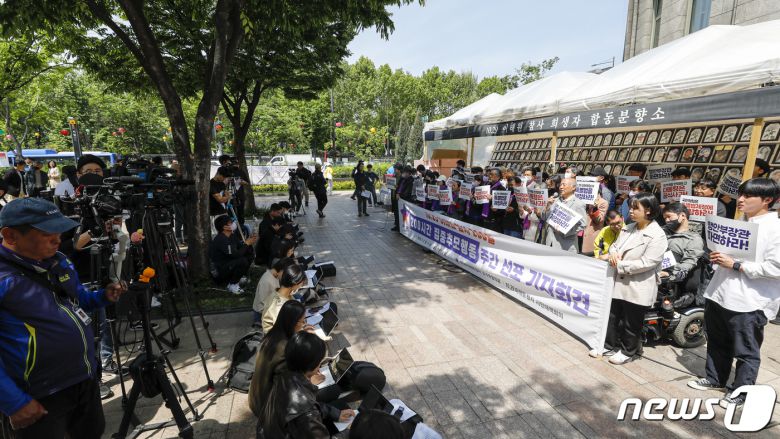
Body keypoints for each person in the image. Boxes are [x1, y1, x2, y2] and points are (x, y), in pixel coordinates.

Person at [0, 197, 126, 438]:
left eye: (59, 230)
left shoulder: (59, 261)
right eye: (47, 233)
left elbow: (78, 300)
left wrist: (102, 297)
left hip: (85, 379)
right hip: (39, 396)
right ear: (11, 235)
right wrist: (13, 402)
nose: (57, 239)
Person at [688, 178, 780, 408]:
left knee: (746, 350)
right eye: (740, 194)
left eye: (748, 196)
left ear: (767, 200)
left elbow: (776, 268)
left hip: (749, 301)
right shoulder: (740, 222)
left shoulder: (775, 230)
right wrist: (718, 258)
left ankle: (741, 391)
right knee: (717, 340)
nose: (740, 200)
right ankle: (715, 378)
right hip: (720, 293)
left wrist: (737, 265)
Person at [596, 193, 667, 365]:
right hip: (618, 280)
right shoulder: (628, 227)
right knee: (613, 316)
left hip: (638, 284)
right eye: (631, 207)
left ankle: (628, 351)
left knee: (631, 321)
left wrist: (620, 264)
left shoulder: (657, 235)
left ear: (648, 210)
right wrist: (613, 253)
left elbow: (648, 262)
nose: (631, 211)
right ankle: (608, 345)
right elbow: (614, 245)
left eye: (636, 208)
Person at [260, 332, 353, 438]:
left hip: (269, 432)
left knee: (337, 404)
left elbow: (311, 405)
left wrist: (335, 413)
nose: (320, 365)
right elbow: (306, 410)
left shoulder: (284, 374)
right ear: (312, 365)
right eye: (320, 361)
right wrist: (351, 431)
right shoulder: (306, 411)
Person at [660, 202, 705, 308]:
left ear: (682, 216)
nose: (667, 220)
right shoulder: (660, 232)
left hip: (670, 282)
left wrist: (669, 274)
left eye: (669, 216)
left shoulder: (694, 239)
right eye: (665, 218)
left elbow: (688, 263)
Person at [208, 215, 257, 294]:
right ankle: (232, 284)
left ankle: (237, 278)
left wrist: (249, 242)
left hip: (229, 264)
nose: (234, 224)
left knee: (249, 255)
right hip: (220, 271)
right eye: (230, 223)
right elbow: (236, 255)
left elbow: (242, 249)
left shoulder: (232, 236)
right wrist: (247, 244)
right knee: (242, 261)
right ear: (225, 227)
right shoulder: (221, 239)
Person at [542, 178, 587, 253]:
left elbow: (583, 225)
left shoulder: (578, 204)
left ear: (573, 188)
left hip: (566, 245)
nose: (561, 187)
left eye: (564, 185)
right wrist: (548, 206)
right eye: (560, 185)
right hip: (550, 241)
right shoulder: (555, 200)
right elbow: (544, 217)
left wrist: (565, 231)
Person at [262, 263, 307, 333]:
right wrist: (303, 330)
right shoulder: (280, 305)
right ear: (296, 283)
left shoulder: (280, 293)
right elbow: (286, 330)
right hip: (278, 337)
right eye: (302, 283)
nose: (301, 286)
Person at [252, 257, 294, 330]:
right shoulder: (266, 281)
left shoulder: (274, 276)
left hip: (270, 307)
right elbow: (264, 305)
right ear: (282, 270)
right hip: (261, 314)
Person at [581, 188, 609, 256]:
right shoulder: (583, 200)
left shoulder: (603, 202)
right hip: (579, 233)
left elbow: (598, 220)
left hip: (590, 235)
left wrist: (595, 208)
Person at [391, 165, 414, 232]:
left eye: (405, 172)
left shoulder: (411, 180)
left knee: (403, 215)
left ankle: (401, 227)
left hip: (403, 199)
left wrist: (400, 195)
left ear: (408, 173)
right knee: (396, 213)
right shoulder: (402, 179)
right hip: (397, 198)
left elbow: (408, 191)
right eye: (403, 172)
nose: (403, 173)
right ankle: (397, 226)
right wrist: (396, 187)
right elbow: (399, 187)